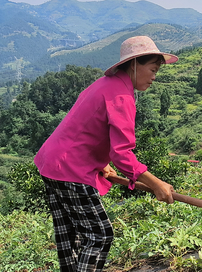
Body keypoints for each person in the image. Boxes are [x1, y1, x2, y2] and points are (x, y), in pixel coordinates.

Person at [34, 36, 177, 272]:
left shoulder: (104, 84)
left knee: (70, 237)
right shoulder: (121, 96)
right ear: (134, 65)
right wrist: (156, 183)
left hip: (53, 162)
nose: (154, 77)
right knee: (100, 235)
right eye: (152, 70)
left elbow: (86, 127)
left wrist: (100, 163)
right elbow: (122, 154)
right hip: (70, 169)